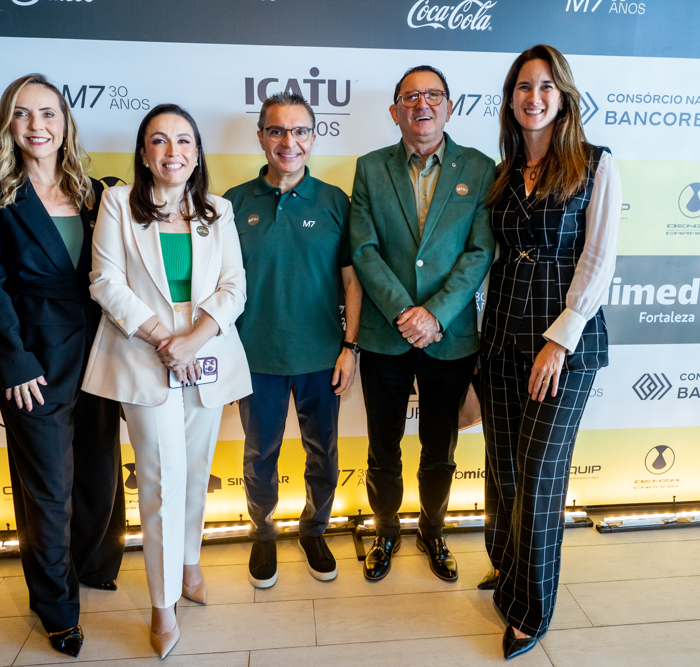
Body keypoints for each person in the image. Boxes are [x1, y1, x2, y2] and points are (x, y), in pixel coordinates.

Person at [0, 73, 124, 659]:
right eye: (23, 113)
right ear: (8, 123)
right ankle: (57, 609)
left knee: (99, 476)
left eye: (48, 113)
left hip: (101, 354)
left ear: (65, 123)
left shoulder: (99, 191)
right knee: (49, 491)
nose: (37, 125)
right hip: (33, 361)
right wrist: (14, 361)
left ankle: (94, 566)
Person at [82, 104, 251, 659]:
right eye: (159, 140)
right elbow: (105, 282)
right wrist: (164, 339)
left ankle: (189, 563)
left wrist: (192, 339)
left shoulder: (219, 210)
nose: (172, 151)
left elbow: (233, 287)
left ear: (197, 153)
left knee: (197, 468)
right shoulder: (117, 204)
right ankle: (162, 604)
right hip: (142, 352)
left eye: (183, 141)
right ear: (143, 152)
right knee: (159, 479)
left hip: (204, 352)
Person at [478, 45, 620, 660]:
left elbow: (598, 259)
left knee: (538, 477)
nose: (532, 97)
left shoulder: (595, 164)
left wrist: (558, 341)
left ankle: (530, 610)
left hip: (563, 347)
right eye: (522, 87)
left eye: (544, 86)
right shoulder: (504, 171)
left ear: (563, 97)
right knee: (503, 470)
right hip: (500, 339)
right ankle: (507, 570)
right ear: (510, 99)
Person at [349, 66, 494, 582]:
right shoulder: (370, 168)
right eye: (410, 97)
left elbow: (479, 252)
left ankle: (433, 531)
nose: (422, 105)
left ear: (449, 107)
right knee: (381, 448)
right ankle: (386, 530)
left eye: (433, 95)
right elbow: (364, 250)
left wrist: (435, 314)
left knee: (440, 450)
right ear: (395, 112)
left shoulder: (480, 168)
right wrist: (403, 312)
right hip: (385, 335)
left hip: (449, 337)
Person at [224, 92, 363, 589]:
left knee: (323, 453)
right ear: (261, 136)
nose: (289, 141)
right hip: (254, 356)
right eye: (277, 130)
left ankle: (314, 530)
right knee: (260, 455)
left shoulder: (335, 201)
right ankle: (263, 532)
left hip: (322, 357)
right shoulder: (232, 203)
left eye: (300, 130)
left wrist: (350, 348)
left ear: (313, 137)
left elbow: (352, 282)